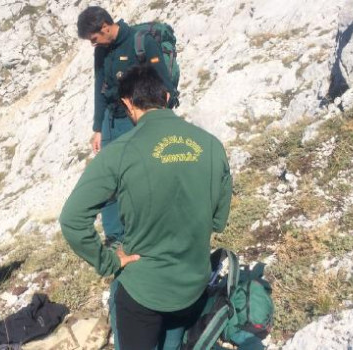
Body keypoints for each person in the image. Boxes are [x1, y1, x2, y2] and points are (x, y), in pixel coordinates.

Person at [59, 65, 232, 350]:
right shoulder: (212, 146)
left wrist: (109, 261)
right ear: (165, 96)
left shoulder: (120, 152)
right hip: (193, 283)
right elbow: (218, 221)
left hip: (144, 291)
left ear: (127, 103)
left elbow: (72, 220)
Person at [77, 6, 177, 247]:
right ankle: (115, 238)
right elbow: (99, 88)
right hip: (111, 121)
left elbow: (163, 83)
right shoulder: (101, 52)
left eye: (94, 38)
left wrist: (160, 121)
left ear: (105, 27)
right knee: (109, 178)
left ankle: (154, 228)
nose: (93, 44)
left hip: (137, 121)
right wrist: (97, 128)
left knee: (142, 175)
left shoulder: (141, 42)